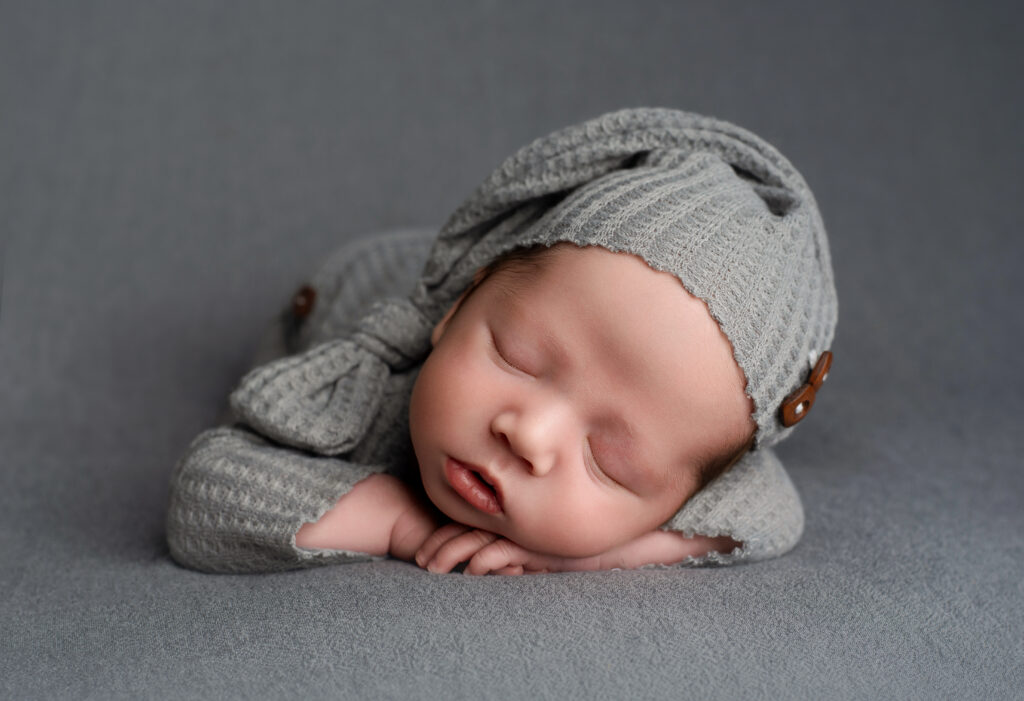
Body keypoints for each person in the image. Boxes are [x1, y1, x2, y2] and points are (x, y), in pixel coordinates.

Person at [166, 107, 838, 575]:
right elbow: (206, 495)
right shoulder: (373, 405)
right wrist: (400, 522)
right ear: (457, 305)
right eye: (517, 357)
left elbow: (777, 512)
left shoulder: (690, 447)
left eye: (608, 461)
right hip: (343, 287)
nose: (528, 434)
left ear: (673, 500)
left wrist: (598, 553)